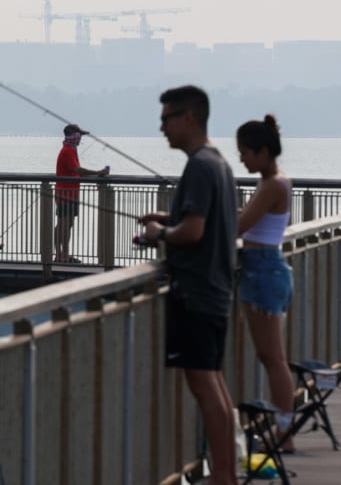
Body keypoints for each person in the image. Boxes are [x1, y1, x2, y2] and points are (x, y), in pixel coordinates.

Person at [137, 86, 237, 485]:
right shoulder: (218, 163)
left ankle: (224, 477)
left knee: (204, 383)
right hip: (215, 290)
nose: (161, 127)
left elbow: (194, 231)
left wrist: (160, 234)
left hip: (196, 293)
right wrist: (167, 218)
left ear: (189, 118)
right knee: (213, 381)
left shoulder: (198, 165)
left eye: (166, 118)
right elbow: (202, 219)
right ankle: (226, 472)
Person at [236, 114, 296, 453]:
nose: (241, 158)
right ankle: (282, 430)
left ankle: (284, 434)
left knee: (273, 358)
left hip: (263, 270)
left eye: (244, 152)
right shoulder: (272, 181)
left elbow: (240, 226)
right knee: (270, 356)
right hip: (264, 269)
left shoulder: (273, 183)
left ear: (262, 151)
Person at [54, 123, 108, 263]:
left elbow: (76, 171)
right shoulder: (67, 151)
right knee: (63, 224)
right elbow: (77, 170)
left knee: (68, 223)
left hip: (71, 193)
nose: (79, 139)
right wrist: (98, 173)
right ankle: (61, 254)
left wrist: (97, 177)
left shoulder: (71, 150)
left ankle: (63, 253)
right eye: (78, 135)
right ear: (72, 136)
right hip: (65, 193)